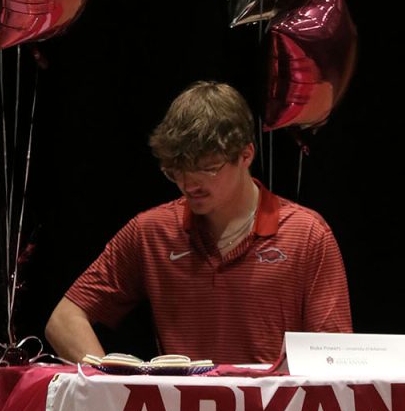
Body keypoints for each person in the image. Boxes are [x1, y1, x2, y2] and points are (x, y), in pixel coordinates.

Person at [45, 80, 352, 364]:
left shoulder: (307, 235)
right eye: (176, 171)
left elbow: (334, 358)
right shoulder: (151, 232)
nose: (190, 184)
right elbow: (64, 320)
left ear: (246, 155)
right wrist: (105, 386)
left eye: (208, 169)